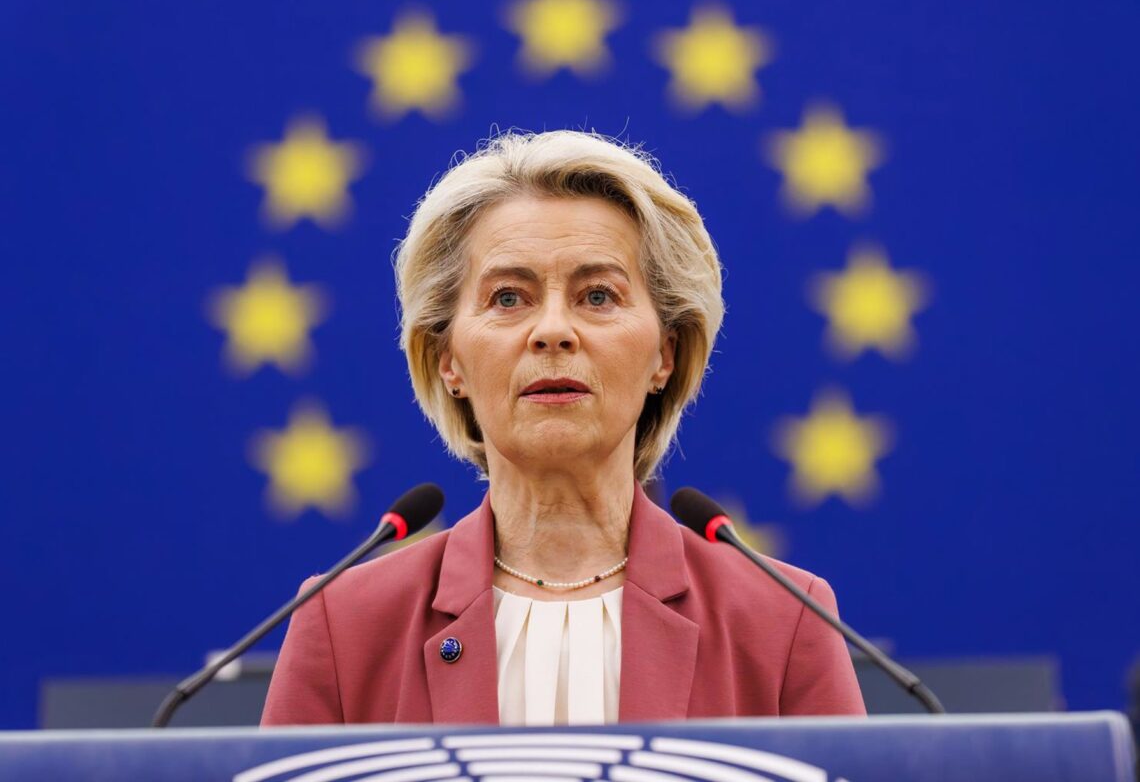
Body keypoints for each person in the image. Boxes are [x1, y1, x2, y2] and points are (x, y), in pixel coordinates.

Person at [261, 129, 865, 726]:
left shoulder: (782, 618)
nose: (553, 330)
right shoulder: (345, 623)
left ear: (666, 355)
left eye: (598, 296)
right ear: (447, 360)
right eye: (507, 298)